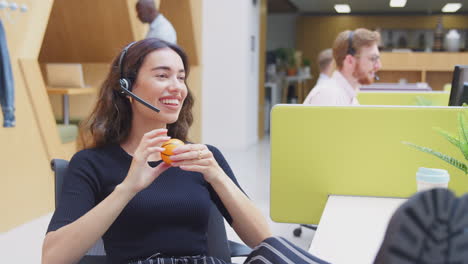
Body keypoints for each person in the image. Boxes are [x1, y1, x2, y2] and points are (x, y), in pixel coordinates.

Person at [41, 38, 329, 264]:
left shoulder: (204, 157)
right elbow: (53, 258)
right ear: (126, 88)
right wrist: (128, 188)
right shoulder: (92, 162)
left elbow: (264, 240)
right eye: (163, 75)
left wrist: (216, 175)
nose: (177, 87)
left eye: (181, 77)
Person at [304, 28, 382, 106]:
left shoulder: (349, 96)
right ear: (350, 61)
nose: (378, 66)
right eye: (373, 59)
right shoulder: (328, 95)